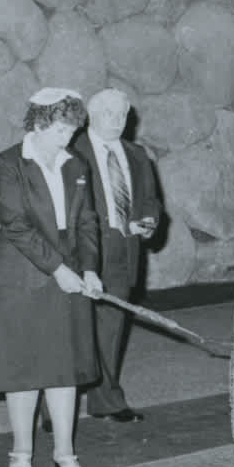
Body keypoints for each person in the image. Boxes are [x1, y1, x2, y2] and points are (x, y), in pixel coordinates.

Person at [0, 88, 104, 467]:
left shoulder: (77, 163)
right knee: (23, 369)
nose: (66, 139)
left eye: (71, 131)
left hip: (67, 274)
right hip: (22, 276)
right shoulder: (9, 163)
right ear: (37, 123)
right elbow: (15, 224)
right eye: (59, 131)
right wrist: (58, 269)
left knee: (63, 369)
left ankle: (65, 452)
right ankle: (20, 451)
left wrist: (89, 268)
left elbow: (87, 221)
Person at [72, 88, 162, 424]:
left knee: (111, 327)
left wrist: (150, 221)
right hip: (84, 248)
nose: (116, 120)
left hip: (124, 248)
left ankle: (106, 400)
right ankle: (57, 405)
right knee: (70, 327)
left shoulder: (137, 154)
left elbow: (151, 200)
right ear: (91, 116)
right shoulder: (72, 151)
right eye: (108, 113)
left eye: (122, 114)